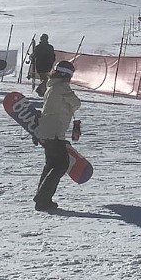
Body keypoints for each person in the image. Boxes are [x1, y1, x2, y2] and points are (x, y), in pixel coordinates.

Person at [34, 61, 81, 212]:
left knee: (51, 164)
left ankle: (42, 198)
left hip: (48, 131)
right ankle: (42, 198)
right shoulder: (61, 87)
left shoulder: (52, 85)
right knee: (61, 164)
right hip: (54, 132)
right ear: (66, 75)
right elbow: (76, 102)